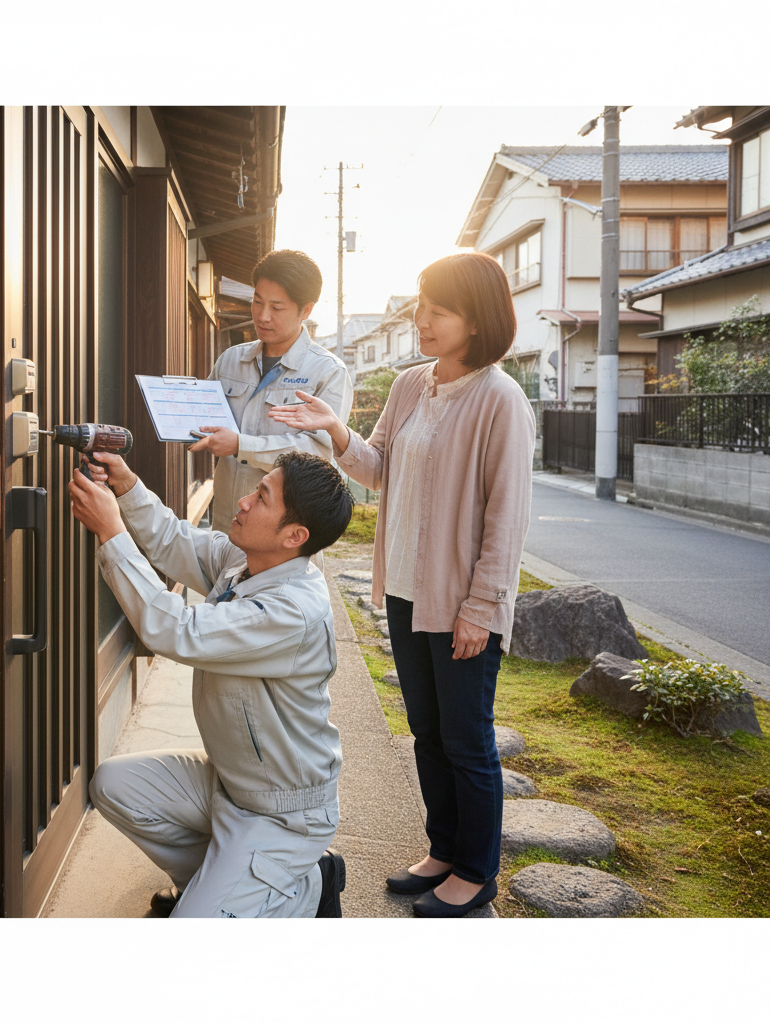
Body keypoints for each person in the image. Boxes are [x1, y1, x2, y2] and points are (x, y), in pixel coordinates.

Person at [269, 252, 535, 918]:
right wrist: (336, 430)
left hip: (462, 604)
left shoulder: (501, 399)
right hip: (406, 590)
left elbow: (507, 518)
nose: (423, 319)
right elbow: (378, 468)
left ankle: (476, 871)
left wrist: (482, 608)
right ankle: (444, 849)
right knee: (426, 731)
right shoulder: (412, 385)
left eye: (439, 310)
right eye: (422, 304)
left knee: (467, 740)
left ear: (477, 320)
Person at [68, 448, 355, 918]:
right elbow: (172, 540)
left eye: (262, 497)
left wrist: (111, 531)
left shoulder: (292, 611)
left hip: (282, 815)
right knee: (114, 786)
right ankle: (212, 883)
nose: (243, 501)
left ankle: (307, 886)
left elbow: (177, 630)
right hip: (230, 783)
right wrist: (127, 485)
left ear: (294, 536)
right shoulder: (245, 561)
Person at [189, 249, 353, 539]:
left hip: (280, 537)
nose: (263, 316)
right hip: (227, 524)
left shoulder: (328, 372)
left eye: (277, 308)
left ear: (306, 310)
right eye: (257, 302)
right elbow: (204, 417)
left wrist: (241, 445)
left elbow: (317, 455)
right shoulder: (230, 360)